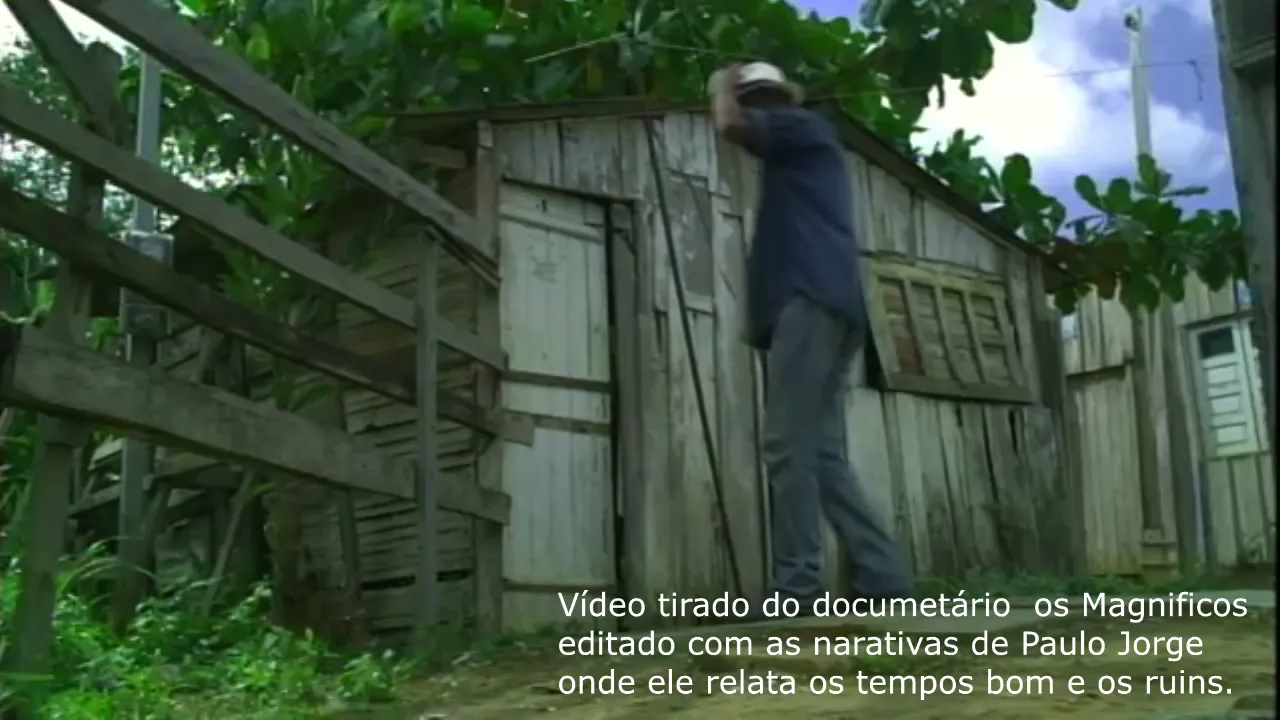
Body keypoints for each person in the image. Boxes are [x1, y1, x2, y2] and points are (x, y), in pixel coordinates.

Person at [709, 62, 913, 615]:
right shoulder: (803, 151)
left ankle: (797, 589)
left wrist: (720, 83)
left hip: (810, 299)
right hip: (830, 302)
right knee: (821, 453)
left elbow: (730, 126)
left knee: (786, 447)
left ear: (762, 100)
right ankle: (883, 575)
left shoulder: (796, 125)